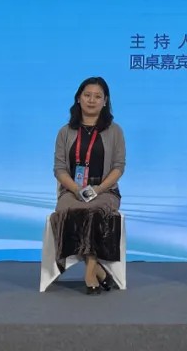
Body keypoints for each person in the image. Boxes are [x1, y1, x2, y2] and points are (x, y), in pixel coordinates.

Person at [51, 76, 126, 294]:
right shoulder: (65, 132)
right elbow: (59, 169)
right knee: (71, 210)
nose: (92, 100)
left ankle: (90, 272)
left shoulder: (115, 131)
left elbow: (118, 167)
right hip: (72, 189)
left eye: (97, 96)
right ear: (78, 98)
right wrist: (77, 190)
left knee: (94, 211)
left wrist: (98, 189)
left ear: (105, 101)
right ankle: (100, 272)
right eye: (87, 95)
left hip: (105, 190)